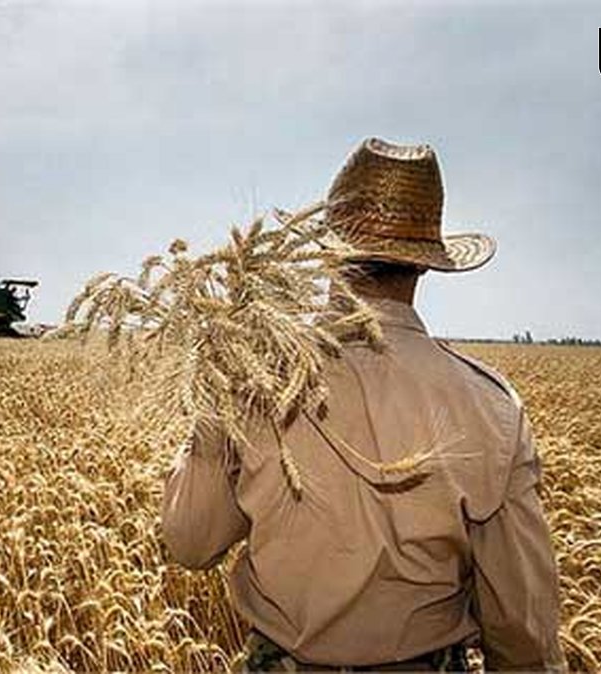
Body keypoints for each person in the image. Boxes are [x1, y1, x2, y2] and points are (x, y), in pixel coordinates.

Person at [160, 138, 565, 672]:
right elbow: (522, 625)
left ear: (326, 254)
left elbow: (190, 544)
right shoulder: (489, 405)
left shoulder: (249, 384)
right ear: (424, 267)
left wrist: (212, 407)